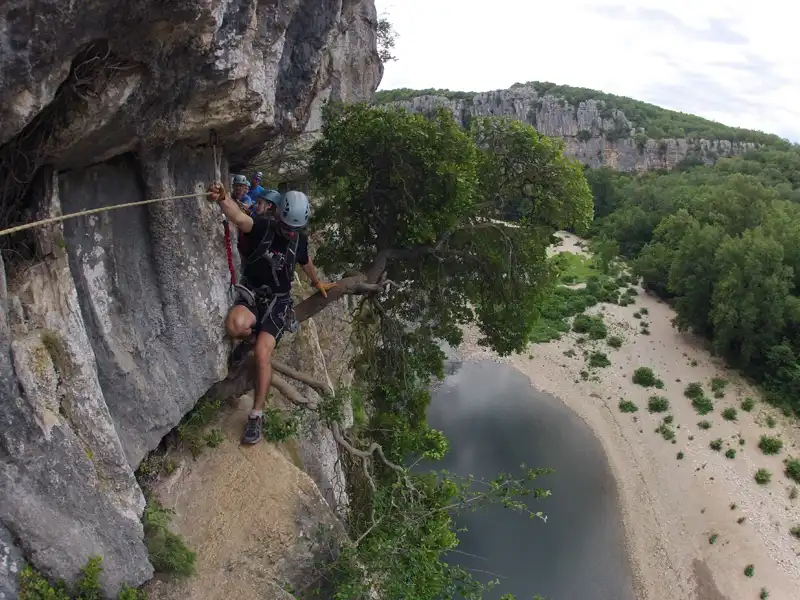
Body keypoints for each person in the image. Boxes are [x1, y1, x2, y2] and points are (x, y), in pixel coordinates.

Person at [207, 182, 337, 445]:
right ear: (279, 216)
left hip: (278, 302)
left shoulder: (298, 239)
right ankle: (250, 339)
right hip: (255, 294)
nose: (290, 232)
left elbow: (305, 260)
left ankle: (256, 415)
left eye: (294, 229)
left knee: (264, 355)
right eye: (288, 227)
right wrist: (223, 199)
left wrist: (317, 282)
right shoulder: (263, 226)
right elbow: (239, 217)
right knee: (235, 325)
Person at [237, 188, 281, 257]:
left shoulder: (263, 224)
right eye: (256, 203)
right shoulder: (273, 223)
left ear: (269, 206)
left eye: (259, 203)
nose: (256, 205)